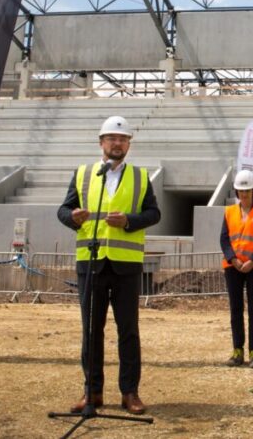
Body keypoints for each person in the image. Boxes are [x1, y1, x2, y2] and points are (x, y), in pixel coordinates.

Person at [57, 115, 160, 415]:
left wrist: (130, 221)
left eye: (123, 139)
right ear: (101, 142)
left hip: (126, 266)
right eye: (112, 138)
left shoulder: (141, 178)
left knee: (128, 331)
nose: (118, 143)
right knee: (92, 331)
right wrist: (72, 218)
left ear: (129, 144)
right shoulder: (84, 173)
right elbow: (63, 210)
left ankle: (130, 393)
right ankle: (92, 393)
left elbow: (154, 214)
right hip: (91, 264)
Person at [220, 169, 253, 369]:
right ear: (236, 192)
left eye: (247, 190)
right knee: (236, 309)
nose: (244, 194)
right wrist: (233, 259)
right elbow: (224, 239)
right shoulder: (229, 212)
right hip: (233, 267)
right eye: (241, 191)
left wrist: (252, 261)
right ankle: (237, 350)